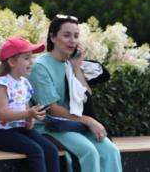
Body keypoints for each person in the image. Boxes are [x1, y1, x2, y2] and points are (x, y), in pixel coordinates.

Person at [28, 14, 122, 172]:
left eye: (76, 36)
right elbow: (52, 109)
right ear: (52, 37)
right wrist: (89, 121)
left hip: (73, 124)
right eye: (66, 35)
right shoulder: (40, 67)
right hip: (48, 127)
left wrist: (76, 67)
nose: (72, 40)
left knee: (111, 150)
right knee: (89, 151)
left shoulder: (68, 63)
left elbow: (86, 95)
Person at [0, 36, 60, 172]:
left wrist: (30, 118)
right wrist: (28, 113)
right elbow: (2, 114)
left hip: (19, 130)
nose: (31, 62)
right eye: (26, 58)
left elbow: (26, 111)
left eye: (31, 58)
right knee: (35, 150)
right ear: (12, 62)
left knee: (51, 149)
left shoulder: (24, 83)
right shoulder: (1, 84)